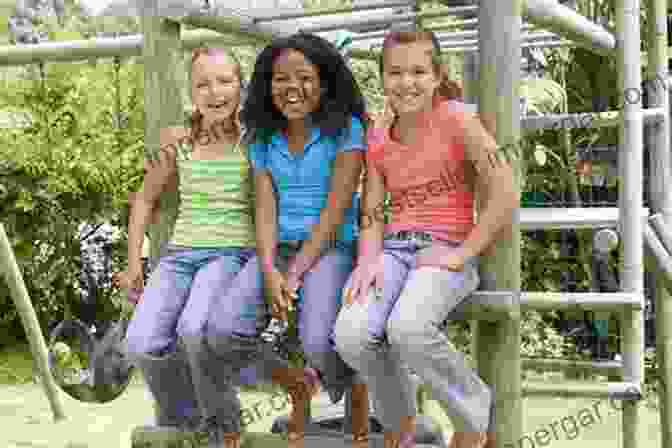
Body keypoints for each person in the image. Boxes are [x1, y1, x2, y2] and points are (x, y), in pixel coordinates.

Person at [118, 47, 312, 448]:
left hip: (229, 254)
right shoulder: (178, 141)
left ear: (240, 86)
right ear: (191, 91)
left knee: (194, 329)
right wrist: (134, 262)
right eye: (202, 84)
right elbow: (144, 200)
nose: (214, 91)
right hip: (179, 257)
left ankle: (225, 427)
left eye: (225, 81)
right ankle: (184, 420)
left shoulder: (255, 138)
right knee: (140, 342)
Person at [333, 29, 518, 448]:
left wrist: (464, 253)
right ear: (382, 77)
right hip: (393, 251)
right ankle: (401, 424)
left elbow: (505, 189)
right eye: (395, 72)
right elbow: (373, 210)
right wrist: (367, 260)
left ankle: (473, 415)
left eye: (418, 71)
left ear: (436, 76)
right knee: (351, 332)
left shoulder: (457, 119)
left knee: (409, 328)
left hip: (444, 248)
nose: (406, 81)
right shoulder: (378, 134)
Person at [206, 32, 370, 447]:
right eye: (281, 78)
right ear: (267, 84)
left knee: (318, 340)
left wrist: (293, 275)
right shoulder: (262, 135)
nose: (291, 88)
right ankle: (298, 384)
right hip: (278, 249)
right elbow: (265, 208)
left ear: (324, 81)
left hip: (330, 246)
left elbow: (335, 212)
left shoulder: (346, 130)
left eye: (304, 77)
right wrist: (267, 270)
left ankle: (355, 386)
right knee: (222, 332)